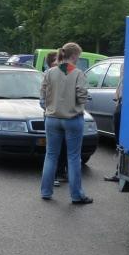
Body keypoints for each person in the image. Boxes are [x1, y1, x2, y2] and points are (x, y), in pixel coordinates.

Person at [39, 42, 93, 204]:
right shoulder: (77, 74)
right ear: (74, 55)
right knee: (73, 158)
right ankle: (76, 195)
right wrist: (77, 105)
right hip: (72, 119)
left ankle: (46, 192)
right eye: (79, 56)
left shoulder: (50, 72)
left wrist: (50, 107)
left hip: (52, 119)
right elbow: (82, 96)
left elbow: (42, 98)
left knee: (51, 156)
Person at [44, 51, 69, 188]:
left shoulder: (66, 73)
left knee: (65, 146)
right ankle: (51, 178)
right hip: (53, 115)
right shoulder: (48, 75)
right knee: (52, 151)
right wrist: (51, 109)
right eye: (56, 60)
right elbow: (43, 98)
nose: (59, 62)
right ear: (50, 63)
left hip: (65, 116)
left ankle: (61, 172)